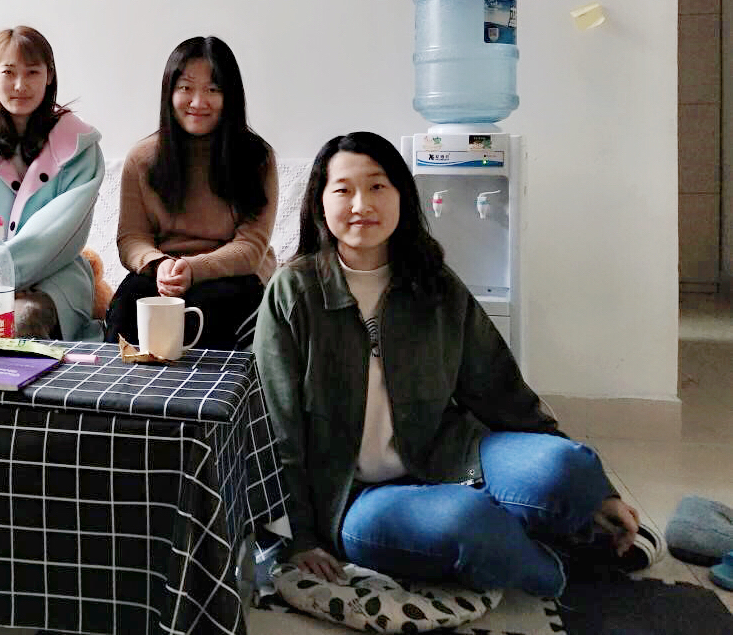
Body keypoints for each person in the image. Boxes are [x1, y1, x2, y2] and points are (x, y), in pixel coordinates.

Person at [253, 131, 645, 597]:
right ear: (320, 204)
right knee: (469, 523)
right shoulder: (293, 292)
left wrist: (594, 491)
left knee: (568, 465)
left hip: (449, 455)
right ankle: (569, 568)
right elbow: (278, 428)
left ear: (402, 196)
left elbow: (499, 388)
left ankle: (578, 522)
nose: (362, 204)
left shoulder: (433, 282)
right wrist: (300, 535)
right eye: (343, 190)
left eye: (377, 186)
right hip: (355, 499)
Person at [0, 26, 104, 341]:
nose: (20, 85)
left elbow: (60, 232)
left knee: (22, 321)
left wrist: (7, 273)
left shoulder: (80, 146)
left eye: (32, 72)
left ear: (49, 76)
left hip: (55, 278)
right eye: (8, 72)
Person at [106, 36, 276, 350]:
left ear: (230, 96)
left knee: (209, 313)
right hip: (162, 273)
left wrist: (194, 269)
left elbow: (251, 246)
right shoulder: (142, 158)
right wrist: (159, 265)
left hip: (234, 275)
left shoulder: (257, 158)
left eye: (212, 90)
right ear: (169, 92)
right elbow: (131, 237)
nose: (198, 102)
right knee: (126, 307)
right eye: (186, 88)